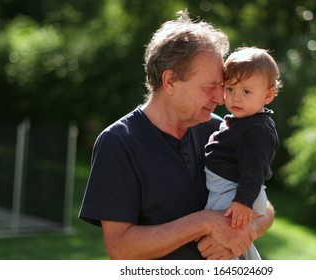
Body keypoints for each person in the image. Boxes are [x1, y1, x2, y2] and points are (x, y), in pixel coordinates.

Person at [78, 10, 275, 260]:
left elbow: (265, 208)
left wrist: (243, 232)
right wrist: (203, 222)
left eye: (222, 86)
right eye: (209, 87)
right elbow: (120, 249)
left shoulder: (222, 130)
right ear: (170, 81)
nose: (220, 97)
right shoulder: (118, 142)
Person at [204, 47, 281, 260]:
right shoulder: (244, 122)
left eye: (246, 92)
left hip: (233, 194)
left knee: (220, 240)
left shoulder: (258, 130)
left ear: (268, 95)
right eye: (230, 89)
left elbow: (254, 168)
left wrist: (243, 201)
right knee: (237, 243)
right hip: (230, 191)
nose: (236, 98)